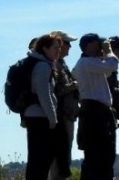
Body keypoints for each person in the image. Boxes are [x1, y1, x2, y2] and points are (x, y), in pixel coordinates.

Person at [73, 33, 119, 180]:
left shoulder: (90, 63)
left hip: (96, 113)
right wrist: (108, 50)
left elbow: (107, 71)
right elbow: (112, 64)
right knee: (97, 157)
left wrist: (103, 53)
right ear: (89, 45)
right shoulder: (86, 63)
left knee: (103, 157)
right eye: (97, 43)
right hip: (95, 113)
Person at [23, 34, 63, 180]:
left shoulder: (41, 63)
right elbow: (44, 94)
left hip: (35, 116)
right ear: (44, 48)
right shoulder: (42, 66)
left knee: (38, 159)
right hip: (40, 118)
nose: (58, 51)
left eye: (59, 48)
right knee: (41, 159)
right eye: (55, 48)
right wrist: (53, 119)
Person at [48, 30, 80, 180]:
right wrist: (72, 86)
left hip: (67, 116)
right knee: (58, 157)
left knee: (63, 155)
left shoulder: (61, 64)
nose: (69, 47)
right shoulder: (53, 65)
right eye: (67, 44)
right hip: (60, 117)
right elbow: (52, 91)